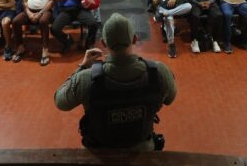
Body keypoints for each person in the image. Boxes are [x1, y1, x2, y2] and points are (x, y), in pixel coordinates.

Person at [54, 13, 176, 151]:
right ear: (134, 39)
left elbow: (60, 101)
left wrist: (82, 67)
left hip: (101, 152)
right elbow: (170, 98)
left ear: (104, 43)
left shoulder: (86, 78)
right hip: (142, 149)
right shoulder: (158, 72)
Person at [11, 0, 56, 66]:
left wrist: (40, 13)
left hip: (45, 10)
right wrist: (29, 13)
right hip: (30, 10)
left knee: (43, 21)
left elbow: (51, 1)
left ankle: (45, 49)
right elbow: (24, 1)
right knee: (16, 21)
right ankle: (20, 47)